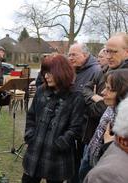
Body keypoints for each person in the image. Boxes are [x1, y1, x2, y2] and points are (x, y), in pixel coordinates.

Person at [22, 54, 85, 183]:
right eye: (44, 72)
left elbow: (76, 128)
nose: (45, 76)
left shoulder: (75, 97)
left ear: (61, 72)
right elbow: (31, 115)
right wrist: (30, 135)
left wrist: (59, 144)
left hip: (58, 157)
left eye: (50, 73)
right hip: (35, 151)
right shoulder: (41, 91)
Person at [79, 32, 128, 181]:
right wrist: (96, 98)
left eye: (114, 51)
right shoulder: (106, 69)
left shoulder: (124, 77)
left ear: (127, 51)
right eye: (107, 51)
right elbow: (85, 89)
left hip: (110, 152)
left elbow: (103, 110)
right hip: (95, 141)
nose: (108, 56)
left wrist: (90, 107)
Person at [84, 72, 128, 183]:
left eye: (109, 89)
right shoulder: (111, 108)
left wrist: (108, 144)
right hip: (93, 157)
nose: (103, 92)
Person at [68, 43, 101, 183]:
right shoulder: (74, 70)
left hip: (86, 127)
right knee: (72, 160)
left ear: (85, 55)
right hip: (72, 123)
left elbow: (98, 103)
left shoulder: (96, 71)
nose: (70, 58)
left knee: (82, 162)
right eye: (69, 54)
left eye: (73, 54)